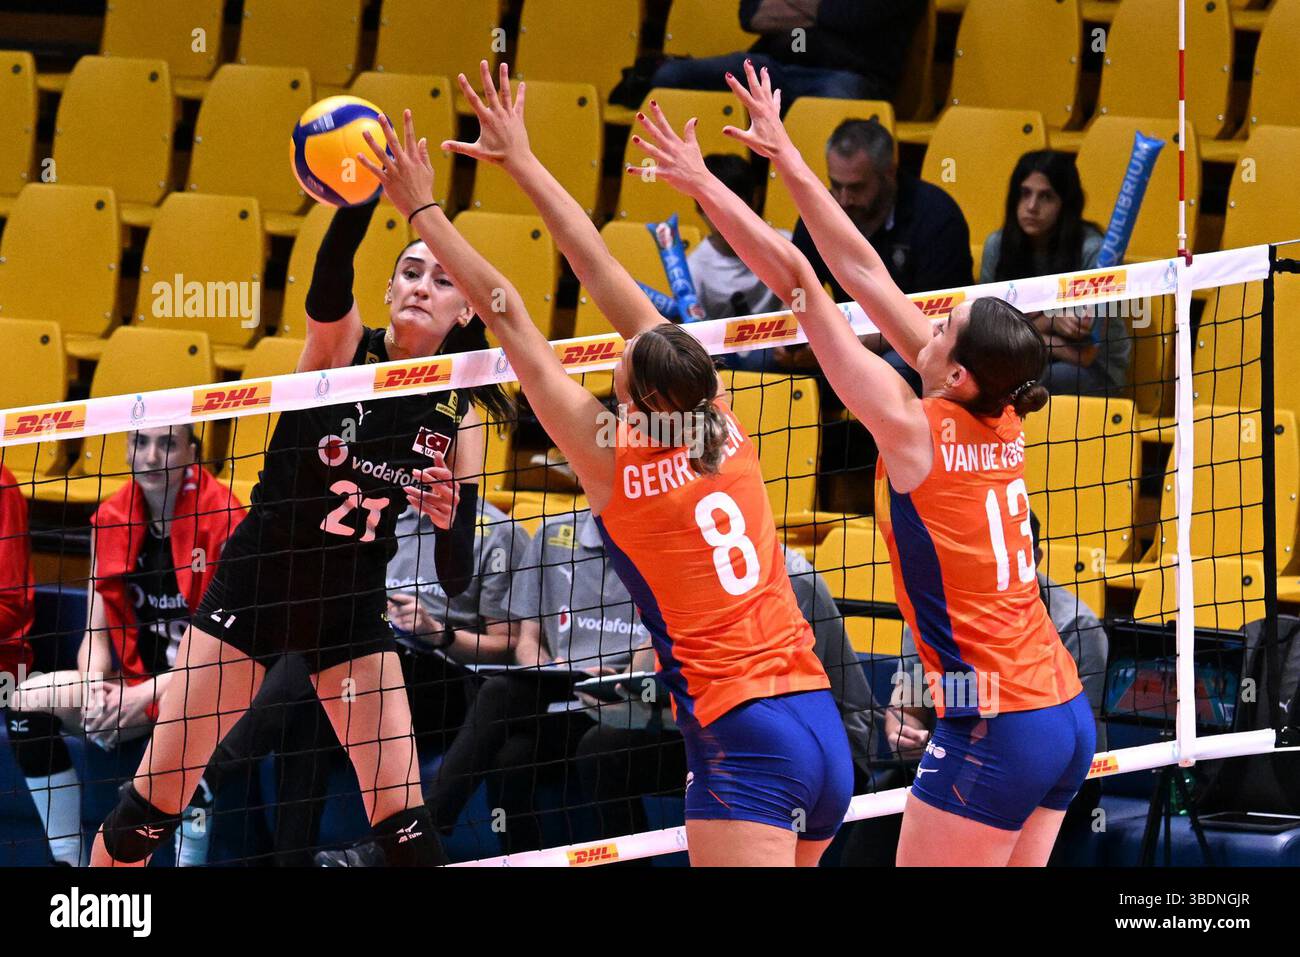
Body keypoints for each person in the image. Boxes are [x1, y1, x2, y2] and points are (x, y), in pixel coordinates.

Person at [363, 60, 852, 866]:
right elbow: (595, 268)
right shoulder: (715, 414)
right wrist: (521, 159)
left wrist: (423, 209)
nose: (612, 367)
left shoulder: (612, 461)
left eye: (618, 375)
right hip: (814, 720)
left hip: (744, 739)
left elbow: (505, 307)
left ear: (637, 401)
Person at [631, 60, 1093, 866]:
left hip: (998, 722)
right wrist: (787, 156)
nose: (932, 319)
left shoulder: (914, 428)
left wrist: (705, 183)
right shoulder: (1003, 402)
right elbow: (864, 270)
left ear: (955, 373)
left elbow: (805, 284)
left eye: (944, 325)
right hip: (1060, 710)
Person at [89, 186, 513, 867]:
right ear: (387, 286)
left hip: (348, 610)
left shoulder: (461, 416)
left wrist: (449, 520)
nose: (422, 287)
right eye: (410, 271)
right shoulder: (342, 349)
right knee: (154, 805)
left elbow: (456, 573)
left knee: (404, 824)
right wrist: (356, 196)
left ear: (466, 310)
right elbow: (327, 279)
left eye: (443, 280)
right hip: (257, 589)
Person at [981, 151, 1128, 397]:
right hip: (1022, 360)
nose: (1031, 206)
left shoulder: (1094, 252)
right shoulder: (997, 245)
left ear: (1065, 204)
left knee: (1024, 382)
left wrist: (1022, 331)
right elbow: (988, 333)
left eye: (1046, 196)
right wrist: (1050, 322)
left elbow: (1086, 354)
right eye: (1025, 193)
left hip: (1097, 370)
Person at [650, 1, 926, 103]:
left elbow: (854, 16)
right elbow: (751, 15)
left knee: (832, 104)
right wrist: (824, 12)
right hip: (774, 65)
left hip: (852, 75)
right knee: (672, 77)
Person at [688, 154, 791, 373]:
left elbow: (803, 301)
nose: (723, 217)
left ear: (754, 199)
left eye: (732, 205)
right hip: (725, 366)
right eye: (711, 207)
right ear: (698, 208)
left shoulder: (785, 246)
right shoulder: (695, 268)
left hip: (784, 351)